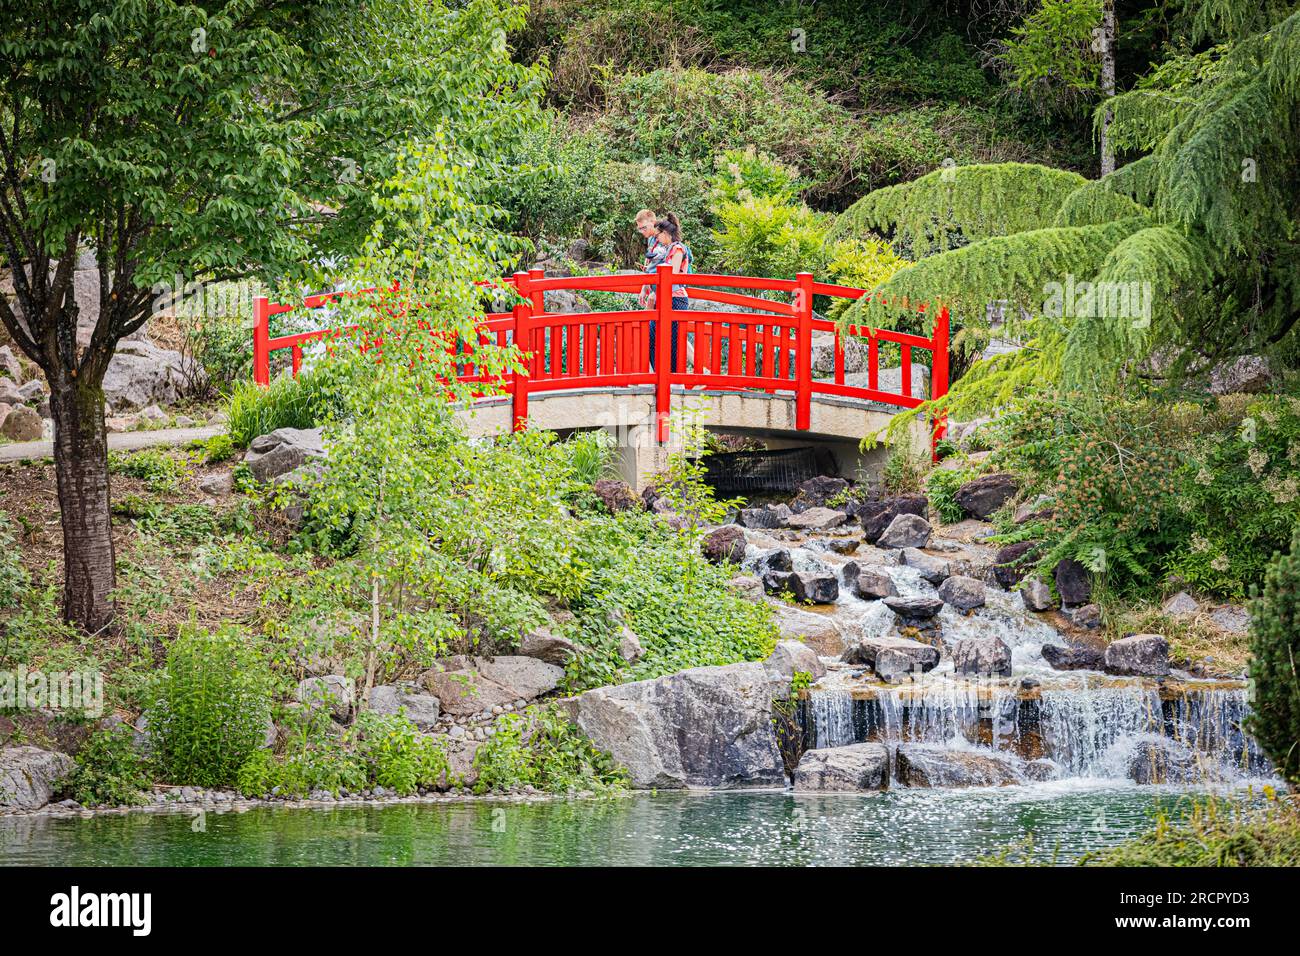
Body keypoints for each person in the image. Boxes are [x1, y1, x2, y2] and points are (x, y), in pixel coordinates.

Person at [647, 216, 691, 373]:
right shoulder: (669, 249)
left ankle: (672, 377)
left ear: (665, 233)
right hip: (665, 298)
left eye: (658, 235)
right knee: (652, 336)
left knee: (673, 341)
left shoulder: (678, 249)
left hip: (676, 298)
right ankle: (661, 373)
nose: (657, 238)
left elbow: (672, 277)